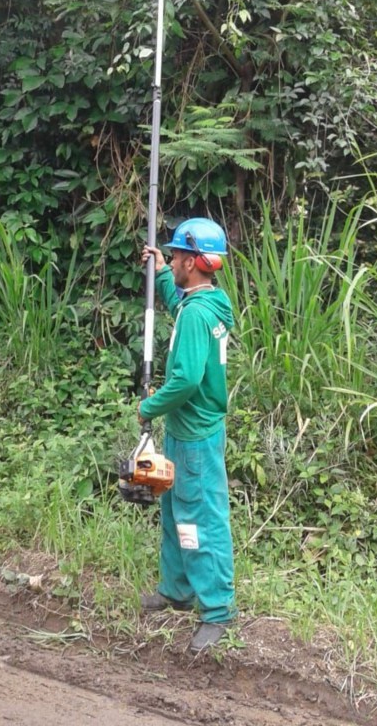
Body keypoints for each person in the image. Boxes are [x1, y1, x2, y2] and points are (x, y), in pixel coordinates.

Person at [138, 217, 238, 651]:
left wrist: (149, 407)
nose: (174, 258)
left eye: (177, 254)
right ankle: (176, 589)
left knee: (203, 518)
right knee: (176, 512)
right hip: (187, 430)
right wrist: (160, 270)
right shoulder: (206, 301)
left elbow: (186, 381)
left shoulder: (197, 315)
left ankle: (218, 610)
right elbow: (176, 300)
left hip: (195, 435)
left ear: (195, 262)